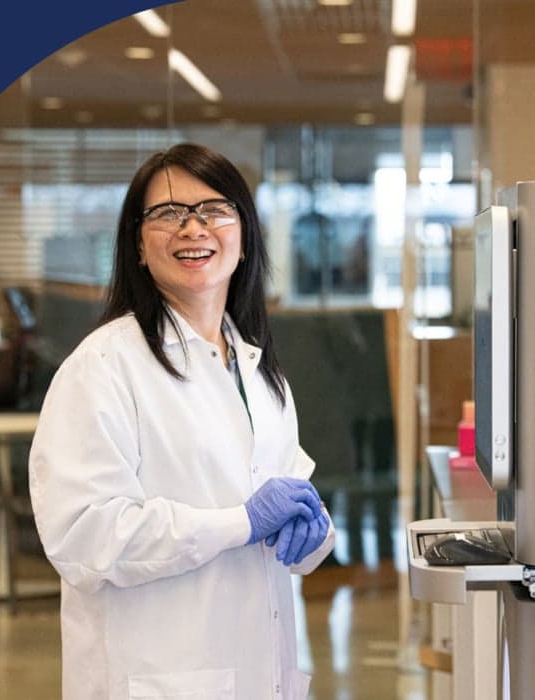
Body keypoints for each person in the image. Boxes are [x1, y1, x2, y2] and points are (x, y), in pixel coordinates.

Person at [29, 143, 334, 700]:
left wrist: (314, 532)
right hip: (154, 677)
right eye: (168, 214)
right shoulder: (103, 367)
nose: (193, 228)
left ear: (243, 238)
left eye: (214, 210)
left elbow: (290, 496)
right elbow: (84, 536)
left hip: (259, 674)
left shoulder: (259, 371)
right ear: (139, 247)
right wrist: (238, 523)